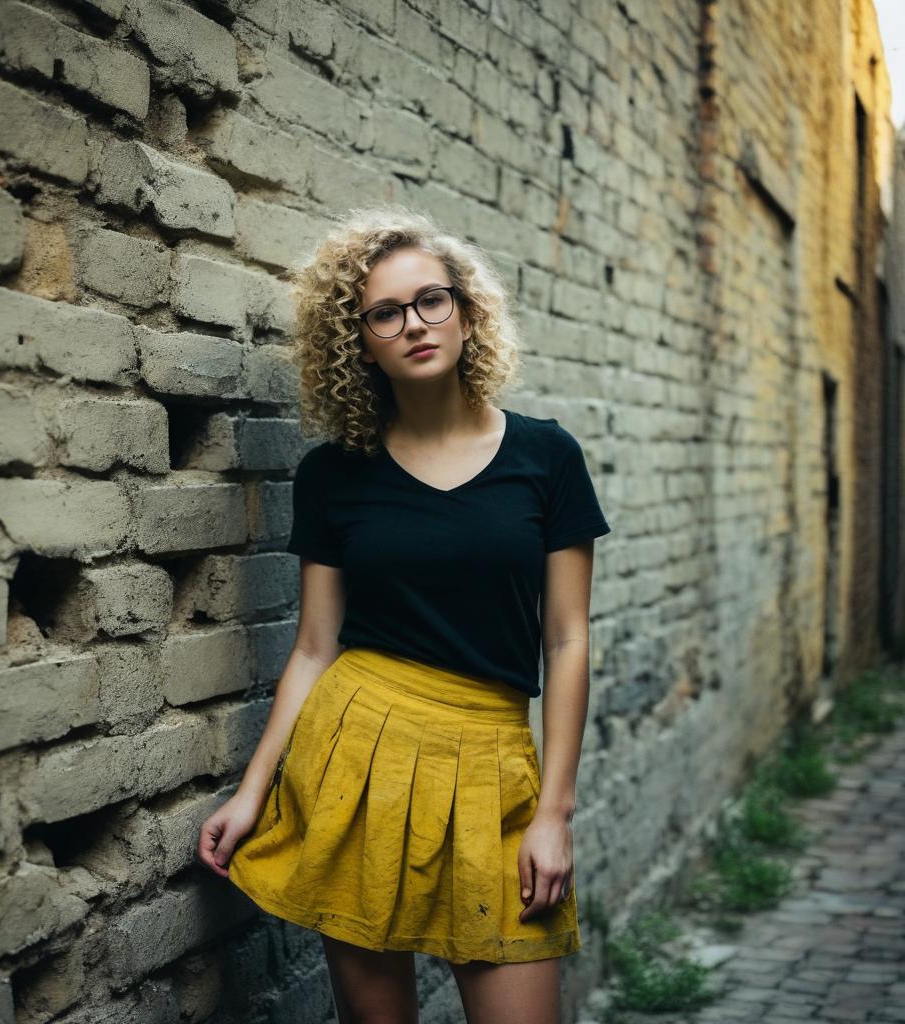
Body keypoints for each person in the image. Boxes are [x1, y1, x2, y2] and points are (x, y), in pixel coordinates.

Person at [198, 205, 611, 1024]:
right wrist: (254, 790)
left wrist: (555, 813)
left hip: (493, 762)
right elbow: (315, 649)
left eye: (432, 300)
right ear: (360, 340)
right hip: (357, 761)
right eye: (385, 313)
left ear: (465, 310)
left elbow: (566, 641)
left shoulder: (546, 456)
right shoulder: (333, 475)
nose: (415, 324)